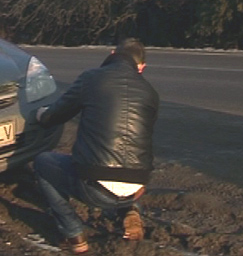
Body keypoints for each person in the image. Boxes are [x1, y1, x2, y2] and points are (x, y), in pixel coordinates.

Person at [33, 38, 159, 254]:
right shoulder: (150, 93)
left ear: (112, 53)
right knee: (127, 163)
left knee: (43, 163)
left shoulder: (91, 79)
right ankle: (130, 210)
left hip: (94, 185)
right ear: (141, 67)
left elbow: (56, 115)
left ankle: (73, 234)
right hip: (137, 187)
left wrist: (40, 115)